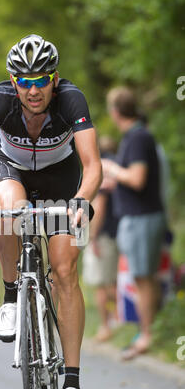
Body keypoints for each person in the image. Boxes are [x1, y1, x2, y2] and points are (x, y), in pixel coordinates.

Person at [0, 34, 102, 389]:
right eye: (25, 81)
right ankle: (9, 299)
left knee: (66, 271)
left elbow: (93, 164)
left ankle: (71, 384)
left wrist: (82, 200)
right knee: (9, 211)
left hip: (61, 180)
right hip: (13, 172)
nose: (33, 90)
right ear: (12, 80)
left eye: (41, 80)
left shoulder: (72, 100)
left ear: (55, 79)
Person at [102, 87, 166, 360]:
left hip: (142, 217)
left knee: (142, 277)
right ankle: (145, 332)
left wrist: (112, 169)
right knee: (141, 277)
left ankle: (146, 334)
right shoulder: (134, 136)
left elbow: (137, 178)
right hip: (137, 216)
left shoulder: (139, 138)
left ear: (115, 112)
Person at [82, 136, 119, 342]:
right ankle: (119, 320)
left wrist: (93, 237)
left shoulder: (99, 167)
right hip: (115, 229)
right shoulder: (112, 163)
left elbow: (100, 204)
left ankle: (108, 325)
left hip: (103, 233)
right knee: (111, 280)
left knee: (102, 283)